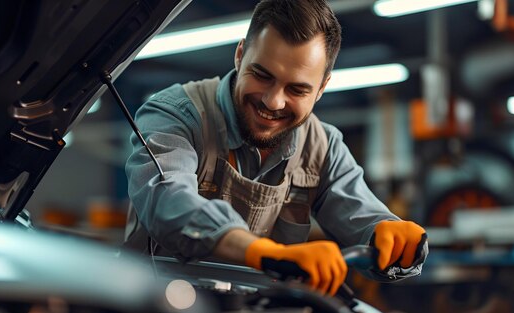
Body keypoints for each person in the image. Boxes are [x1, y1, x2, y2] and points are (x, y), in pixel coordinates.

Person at [124, 0, 428, 296]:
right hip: (157, 302)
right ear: (240, 54)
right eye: (262, 75)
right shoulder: (173, 115)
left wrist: (393, 236)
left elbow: (362, 214)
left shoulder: (323, 148)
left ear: (321, 88)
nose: (273, 101)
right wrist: (262, 252)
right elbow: (169, 201)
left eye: (297, 89)